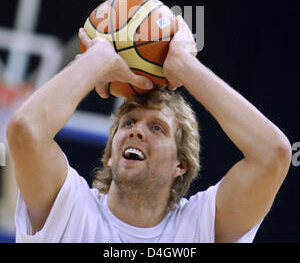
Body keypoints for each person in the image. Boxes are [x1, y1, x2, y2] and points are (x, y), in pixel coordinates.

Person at [6, 15, 291, 243]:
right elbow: (25, 130)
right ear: (109, 154)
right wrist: (98, 58)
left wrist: (186, 66)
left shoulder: (200, 228)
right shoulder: (69, 208)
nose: (137, 131)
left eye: (157, 128)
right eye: (128, 122)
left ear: (180, 164)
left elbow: (273, 153)